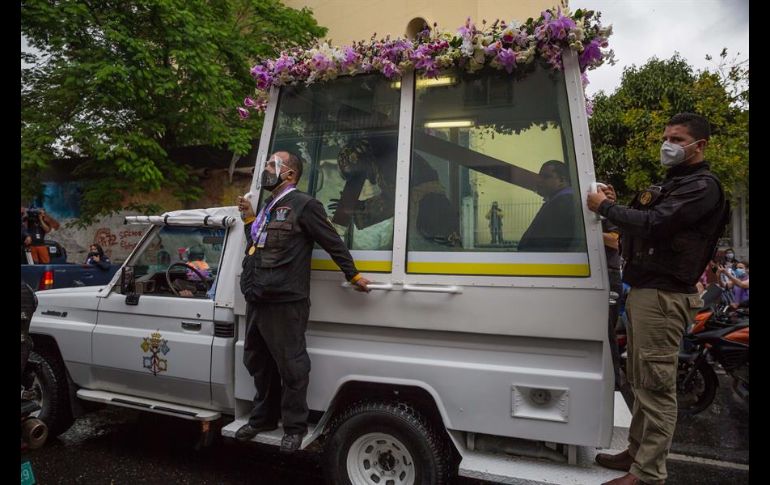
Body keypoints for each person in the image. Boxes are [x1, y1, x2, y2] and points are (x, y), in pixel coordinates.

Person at [587, 113, 728, 485]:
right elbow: (640, 228)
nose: (669, 145)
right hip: (646, 292)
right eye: (667, 137)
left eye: (678, 140)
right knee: (639, 379)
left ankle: (648, 473)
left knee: (655, 386)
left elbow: (655, 224)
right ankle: (636, 452)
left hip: (664, 296)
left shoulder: (702, 186)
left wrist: (603, 207)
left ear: (701, 146)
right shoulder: (674, 183)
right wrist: (615, 206)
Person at [235, 150, 370, 453]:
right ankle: (262, 419)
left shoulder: (305, 205)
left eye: (272, 165)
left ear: (290, 174)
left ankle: (293, 427)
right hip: (258, 296)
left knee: (292, 366)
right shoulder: (270, 205)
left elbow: (332, 240)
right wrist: (248, 218)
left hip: (286, 299)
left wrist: (353, 274)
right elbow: (258, 244)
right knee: (257, 360)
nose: (266, 169)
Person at [518, 160, 582, 252]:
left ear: (561, 180)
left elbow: (545, 242)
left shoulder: (563, 202)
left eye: (545, 177)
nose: (539, 180)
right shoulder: (559, 200)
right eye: (539, 176)